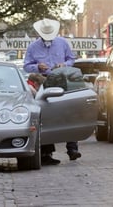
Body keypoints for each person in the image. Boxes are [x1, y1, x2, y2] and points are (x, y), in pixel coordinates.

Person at [24, 18, 81, 166]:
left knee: (68, 113)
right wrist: (37, 67)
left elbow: (72, 59)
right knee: (45, 115)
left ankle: (72, 148)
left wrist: (64, 64)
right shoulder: (32, 47)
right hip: (43, 81)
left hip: (62, 79)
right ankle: (46, 153)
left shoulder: (62, 43)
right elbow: (26, 66)